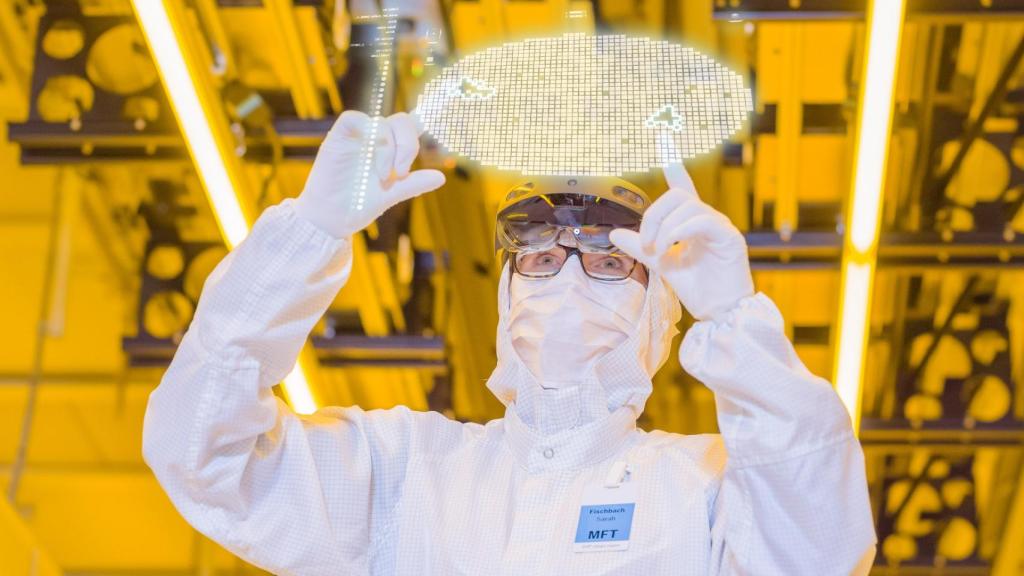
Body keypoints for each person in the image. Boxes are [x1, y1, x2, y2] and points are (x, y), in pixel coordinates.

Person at [143, 110, 877, 575]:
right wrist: (308, 234)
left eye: (611, 261)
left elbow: (820, 547)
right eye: (538, 258)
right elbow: (203, 454)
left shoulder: (704, 487)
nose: (567, 280)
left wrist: (736, 321)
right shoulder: (406, 474)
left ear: (659, 316)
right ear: (506, 296)